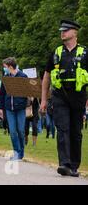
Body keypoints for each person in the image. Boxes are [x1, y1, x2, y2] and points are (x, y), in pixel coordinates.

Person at [40, 19, 88, 177]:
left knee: (76, 131)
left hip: (78, 96)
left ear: (75, 33)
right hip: (60, 96)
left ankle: (74, 166)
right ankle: (64, 164)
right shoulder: (56, 53)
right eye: (61, 30)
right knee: (62, 129)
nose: (63, 32)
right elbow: (46, 77)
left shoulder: (85, 53)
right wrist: (44, 100)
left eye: (66, 30)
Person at [0, 57, 28, 161]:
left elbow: (27, 92)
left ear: (10, 66)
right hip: (9, 108)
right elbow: (2, 94)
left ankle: (21, 152)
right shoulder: (6, 77)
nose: (4, 69)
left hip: (20, 108)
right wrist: (1, 108)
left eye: (5, 67)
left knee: (20, 130)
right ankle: (16, 152)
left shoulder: (23, 76)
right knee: (13, 131)